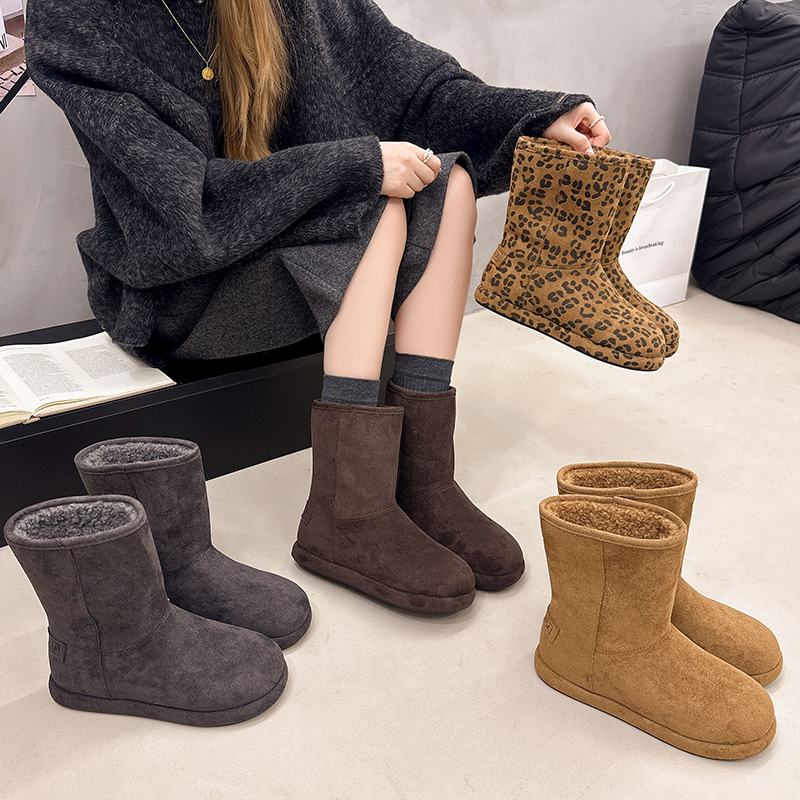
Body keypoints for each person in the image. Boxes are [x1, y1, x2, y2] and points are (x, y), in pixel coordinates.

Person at [25, 0, 611, 612]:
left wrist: (537, 116)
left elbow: (419, 88)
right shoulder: (78, 15)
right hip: (181, 293)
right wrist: (353, 167)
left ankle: (423, 478)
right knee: (373, 204)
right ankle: (347, 510)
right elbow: (178, 209)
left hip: (283, 254)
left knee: (451, 182)